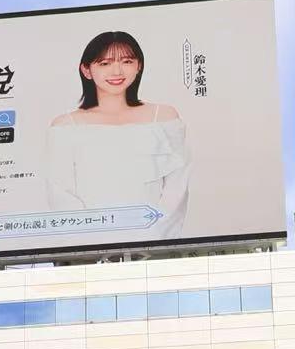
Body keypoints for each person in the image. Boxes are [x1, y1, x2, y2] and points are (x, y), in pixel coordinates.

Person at [45, 31, 189, 235]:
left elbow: (176, 190)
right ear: (86, 70)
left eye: (127, 61)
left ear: (139, 66)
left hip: (153, 243)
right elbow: (61, 195)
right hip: (90, 245)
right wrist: (94, 242)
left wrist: (150, 237)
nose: (117, 71)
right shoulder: (65, 126)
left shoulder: (164, 117)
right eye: (104, 63)